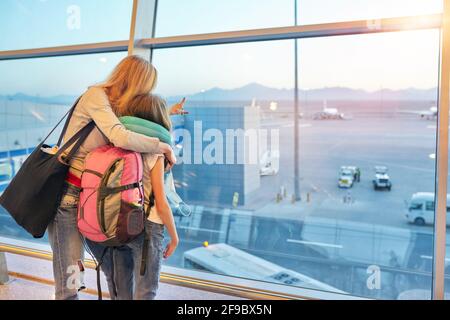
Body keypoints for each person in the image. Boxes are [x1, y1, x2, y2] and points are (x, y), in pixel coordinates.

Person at [47, 55, 179, 300]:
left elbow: (140, 122)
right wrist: (162, 146)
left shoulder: (114, 105)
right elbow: (120, 136)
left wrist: (168, 113)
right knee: (70, 282)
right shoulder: (96, 96)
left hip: (90, 199)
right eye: (146, 87)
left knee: (83, 275)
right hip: (68, 196)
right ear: (136, 81)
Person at [86, 94, 179, 300]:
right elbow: (161, 204)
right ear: (159, 119)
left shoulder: (119, 144)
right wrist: (174, 237)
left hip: (121, 221)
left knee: (122, 290)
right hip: (148, 227)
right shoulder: (155, 152)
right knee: (146, 291)